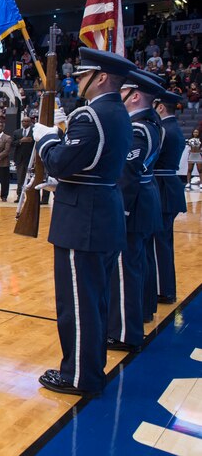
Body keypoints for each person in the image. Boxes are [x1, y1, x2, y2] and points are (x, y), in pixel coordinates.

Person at [33, 48, 135, 396]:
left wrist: (45, 138)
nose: (76, 79)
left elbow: (61, 161)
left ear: (101, 77)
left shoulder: (91, 116)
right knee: (94, 299)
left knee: (77, 303)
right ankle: (90, 368)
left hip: (82, 220)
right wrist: (64, 180)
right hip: (100, 209)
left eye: (82, 74)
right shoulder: (119, 113)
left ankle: (79, 375)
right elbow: (94, 164)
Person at [107, 70, 163, 350]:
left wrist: (121, 212)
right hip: (144, 200)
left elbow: (127, 174)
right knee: (135, 266)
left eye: (124, 90)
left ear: (135, 95)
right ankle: (138, 316)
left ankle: (124, 333)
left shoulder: (139, 128)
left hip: (133, 205)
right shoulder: (151, 123)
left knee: (125, 270)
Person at [149, 90, 187, 305]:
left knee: (158, 243)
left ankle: (163, 290)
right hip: (169, 186)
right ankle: (166, 287)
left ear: (161, 107)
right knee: (163, 242)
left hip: (162, 187)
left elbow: (151, 158)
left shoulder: (164, 130)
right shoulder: (173, 128)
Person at [13, 115, 35, 200]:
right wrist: (20, 141)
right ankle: (19, 196)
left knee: (31, 179)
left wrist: (31, 140)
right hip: (20, 159)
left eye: (26, 121)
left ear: (30, 122)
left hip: (30, 159)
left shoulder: (34, 132)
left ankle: (30, 197)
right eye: (23, 121)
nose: (24, 123)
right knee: (20, 179)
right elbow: (12, 143)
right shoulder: (17, 132)